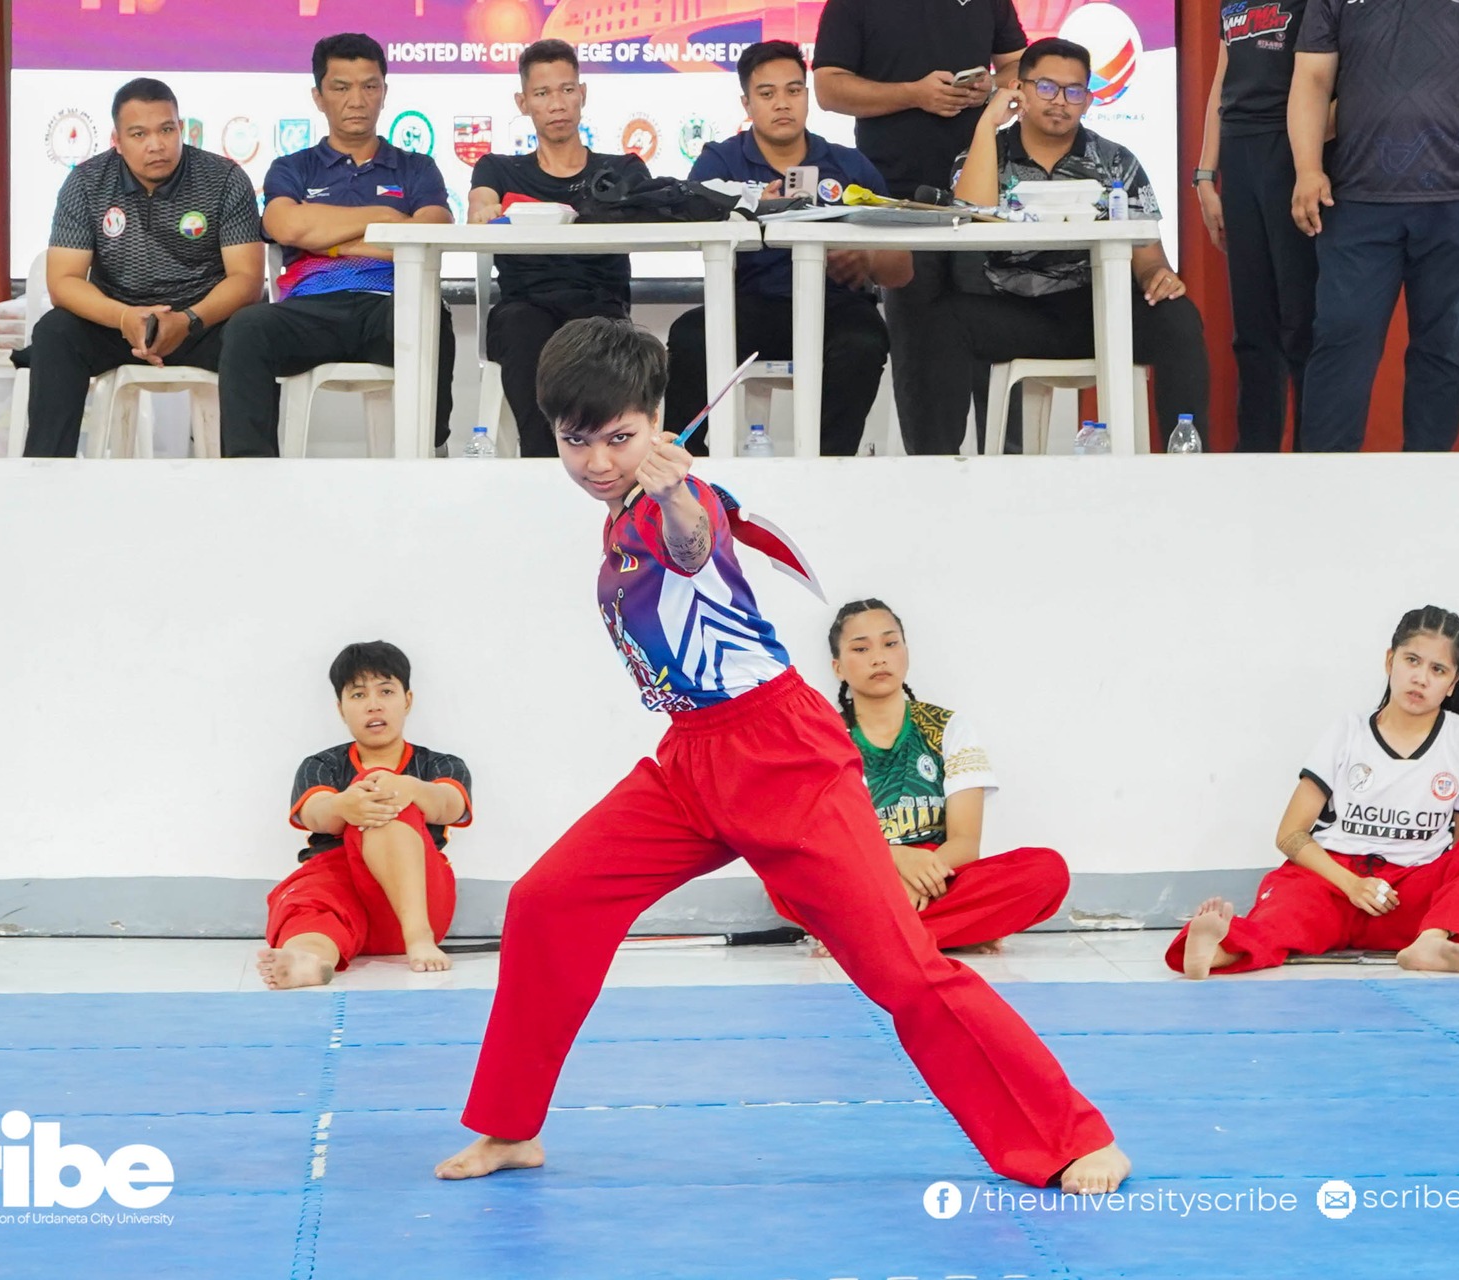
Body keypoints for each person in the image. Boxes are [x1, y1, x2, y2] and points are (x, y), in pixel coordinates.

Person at [433, 318, 1128, 1194]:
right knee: (547, 903)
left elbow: (691, 544)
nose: (600, 460)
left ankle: (1068, 1135)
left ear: (658, 424)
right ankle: (509, 1127)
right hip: (691, 760)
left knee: (902, 973)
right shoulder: (613, 516)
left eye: (621, 437)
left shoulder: (680, 505)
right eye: (578, 441)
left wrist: (680, 495)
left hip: (783, 755)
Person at [1171, 606, 1459, 977]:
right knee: (1284, 917)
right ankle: (1216, 950)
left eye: (1438, 670)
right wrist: (1353, 886)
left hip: (1408, 893)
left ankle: (1429, 942)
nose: (1420, 678)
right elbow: (1290, 834)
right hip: (1334, 883)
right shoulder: (1348, 732)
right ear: (1390, 661)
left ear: (1453, 682)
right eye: (1412, 661)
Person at [1290, 0, 1459, 451]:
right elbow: (1312, 77)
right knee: (1340, 341)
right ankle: (1324, 488)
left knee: (1445, 349)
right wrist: (1308, 168)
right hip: (1357, 196)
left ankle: (1430, 491)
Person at [765, 599, 1069, 954]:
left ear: (906, 652)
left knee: (1047, 872)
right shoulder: (823, 737)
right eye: (861, 648)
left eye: (890, 643)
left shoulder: (947, 728)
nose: (879, 657)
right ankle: (951, 932)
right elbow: (828, 843)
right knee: (781, 876)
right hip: (860, 876)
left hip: (937, 875)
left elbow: (965, 842)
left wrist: (921, 877)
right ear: (838, 667)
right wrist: (897, 860)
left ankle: (862, 939)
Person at [949, 38, 1211, 449]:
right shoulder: (986, 153)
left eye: (1074, 92)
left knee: (1178, 317)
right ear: (1020, 89)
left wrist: (1159, 276)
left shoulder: (1115, 161)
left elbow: (1147, 256)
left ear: (1088, 101)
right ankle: (944, 470)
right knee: (939, 321)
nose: (1061, 102)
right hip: (1016, 313)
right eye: (1047, 87)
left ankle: (1185, 461)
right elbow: (969, 215)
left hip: (1100, 311)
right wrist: (986, 124)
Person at [665, 41, 913, 457]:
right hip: (750, 306)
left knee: (865, 341)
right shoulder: (719, 162)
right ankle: (682, 469)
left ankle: (828, 465)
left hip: (835, 307)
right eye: (767, 94)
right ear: (747, 103)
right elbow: (687, 230)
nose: (783, 103)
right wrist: (746, 208)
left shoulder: (850, 165)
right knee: (690, 334)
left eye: (794, 91)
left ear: (807, 96)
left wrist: (866, 258)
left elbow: (902, 271)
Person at [218, 34, 457, 457]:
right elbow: (284, 225)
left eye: (370, 86)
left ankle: (428, 453)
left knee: (431, 316)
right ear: (318, 96)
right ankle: (249, 474)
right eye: (341, 87)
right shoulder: (293, 167)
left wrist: (326, 238)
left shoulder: (416, 167)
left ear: (385, 92)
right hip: (310, 309)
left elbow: (431, 233)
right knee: (245, 328)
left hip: (389, 305)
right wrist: (384, 218)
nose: (357, 100)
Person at [812, 0, 1025, 455]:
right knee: (921, 347)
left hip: (984, 192)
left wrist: (993, 87)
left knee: (1001, 339)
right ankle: (929, 475)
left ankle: (1011, 469)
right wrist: (913, 93)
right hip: (897, 193)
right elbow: (829, 89)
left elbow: (1017, 64)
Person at [23, 77, 265, 457]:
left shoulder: (224, 179)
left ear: (181, 129)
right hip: (118, 324)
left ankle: (251, 482)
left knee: (254, 333)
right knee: (55, 331)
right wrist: (125, 318)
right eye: (138, 134)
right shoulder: (86, 184)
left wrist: (187, 320)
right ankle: (46, 480)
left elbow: (247, 280)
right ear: (116, 141)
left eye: (167, 129)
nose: (156, 145)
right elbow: (64, 282)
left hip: (203, 324)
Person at [468, 39, 651, 457]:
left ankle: (604, 467)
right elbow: (479, 205)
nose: (557, 104)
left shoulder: (622, 170)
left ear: (582, 95)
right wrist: (484, 208)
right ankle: (542, 465)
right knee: (519, 327)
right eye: (542, 93)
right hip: (524, 306)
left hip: (600, 307)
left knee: (599, 336)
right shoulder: (498, 169)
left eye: (567, 90)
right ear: (522, 101)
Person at [258, 642, 472, 988]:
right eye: (358, 696)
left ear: (407, 700)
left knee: (381, 790)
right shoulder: (321, 766)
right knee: (312, 914)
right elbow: (314, 813)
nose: (373, 705)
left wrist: (411, 789)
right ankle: (311, 960)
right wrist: (344, 805)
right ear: (341, 709)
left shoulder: (440, 765)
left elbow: (451, 803)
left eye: (385, 691)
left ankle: (418, 938)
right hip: (339, 893)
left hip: (414, 905)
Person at [1196, 0, 1316, 452]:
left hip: (1293, 148)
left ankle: (1314, 457)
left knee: (1303, 322)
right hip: (1239, 153)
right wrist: (1206, 173)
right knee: (1252, 326)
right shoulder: (1231, 5)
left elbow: (1333, 76)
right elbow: (1221, 83)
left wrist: (1309, 157)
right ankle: (1255, 455)